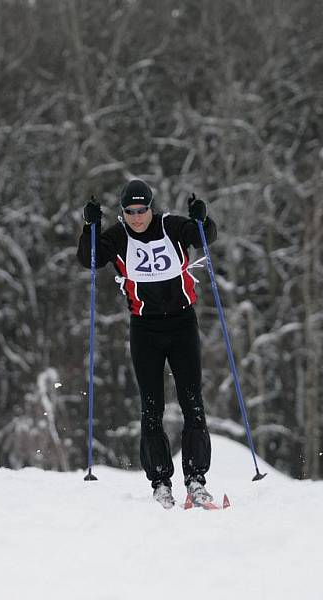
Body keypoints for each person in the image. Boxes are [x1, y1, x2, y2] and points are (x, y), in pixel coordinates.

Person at [77, 179, 217, 509]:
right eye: (130, 212)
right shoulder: (118, 235)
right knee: (151, 407)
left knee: (191, 400)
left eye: (142, 211)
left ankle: (196, 479)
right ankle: (160, 482)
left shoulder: (172, 226)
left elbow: (203, 238)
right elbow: (90, 258)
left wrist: (202, 218)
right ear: (123, 213)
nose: (137, 218)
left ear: (151, 208)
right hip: (145, 329)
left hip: (182, 323)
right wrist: (90, 227)